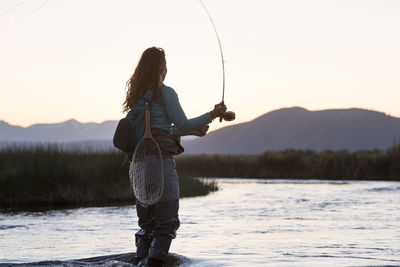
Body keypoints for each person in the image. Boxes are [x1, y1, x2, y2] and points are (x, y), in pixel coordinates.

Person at [122, 47, 227, 267]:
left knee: (147, 223)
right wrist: (213, 113)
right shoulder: (166, 93)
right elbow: (183, 123)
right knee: (167, 223)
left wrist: (188, 132)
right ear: (162, 68)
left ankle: (139, 261)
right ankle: (154, 264)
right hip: (160, 163)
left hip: (138, 166)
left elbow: (156, 130)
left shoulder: (137, 97)